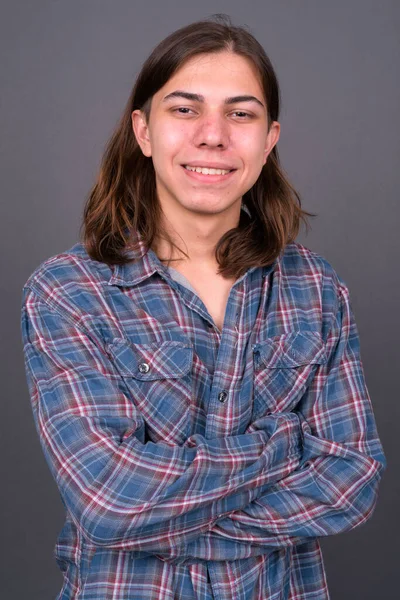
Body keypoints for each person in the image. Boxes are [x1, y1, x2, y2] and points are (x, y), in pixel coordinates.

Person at [20, 14, 386, 600]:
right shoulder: (68, 292)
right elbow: (109, 504)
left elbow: (350, 481)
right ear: (143, 131)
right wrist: (281, 448)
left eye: (241, 114)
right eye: (184, 109)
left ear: (269, 140)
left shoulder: (317, 290)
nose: (213, 135)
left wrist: (163, 515)